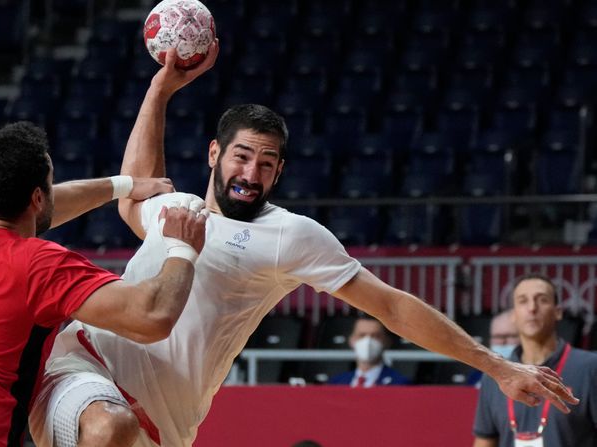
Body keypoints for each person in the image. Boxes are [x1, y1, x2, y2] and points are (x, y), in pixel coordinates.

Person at [29, 45, 578, 447]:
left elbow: (389, 306)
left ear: (280, 172)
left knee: (120, 431)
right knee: (107, 428)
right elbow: (134, 194)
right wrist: (160, 91)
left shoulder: (290, 234)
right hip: (82, 365)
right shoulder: (182, 211)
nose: (252, 173)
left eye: (267, 164)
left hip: (161, 423)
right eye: (242, 157)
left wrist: (493, 364)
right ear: (216, 154)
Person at [0, 121, 208, 447]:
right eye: (49, 184)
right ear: (36, 197)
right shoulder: (36, 264)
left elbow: (47, 207)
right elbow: (151, 317)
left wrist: (125, 185)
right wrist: (182, 249)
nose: (53, 190)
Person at [472, 273, 597, 446]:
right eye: (523, 301)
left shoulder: (590, 368)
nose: (532, 308)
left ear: (558, 312)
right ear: (513, 315)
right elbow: (485, 440)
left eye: (542, 300)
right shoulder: (494, 376)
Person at [328, 316, 410, 386]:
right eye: (362, 335)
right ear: (351, 340)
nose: (368, 342)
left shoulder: (400, 384)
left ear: (387, 341)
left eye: (375, 336)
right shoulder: (336, 383)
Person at [468, 309, 520, 386]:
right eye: (497, 337)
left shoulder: (534, 371)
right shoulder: (479, 376)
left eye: (510, 336)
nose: (502, 342)